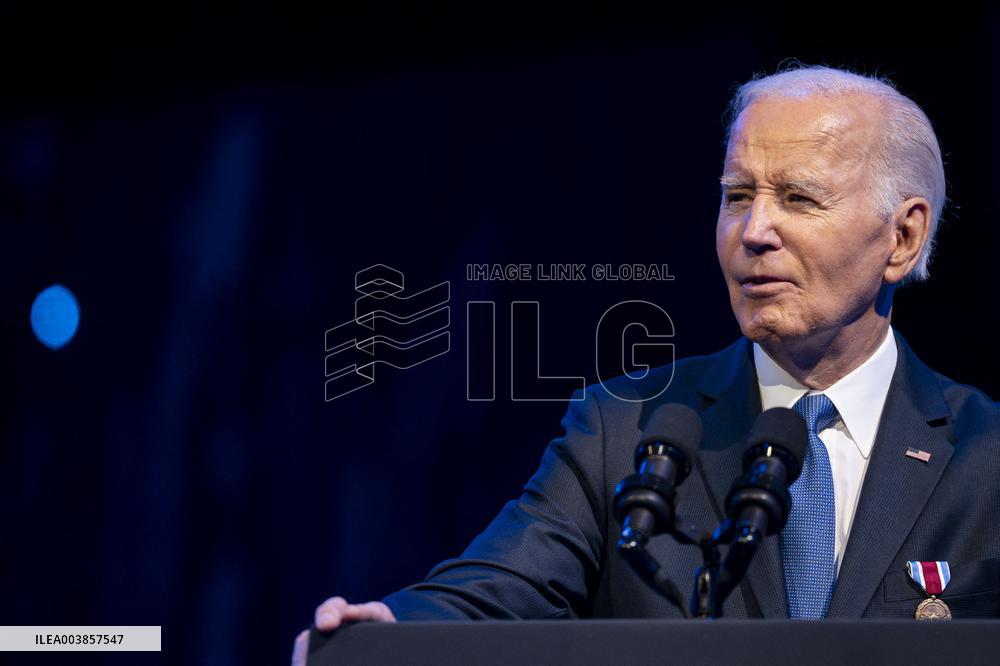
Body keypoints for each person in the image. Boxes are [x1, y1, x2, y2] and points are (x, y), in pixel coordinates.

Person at [292, 63, 999, 662]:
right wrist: (390, 630)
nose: (754, 231)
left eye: (799, 198)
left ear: (902, 238)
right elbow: (501, 587)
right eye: (737, 196)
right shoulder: (626, 427)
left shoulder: (986, 455)